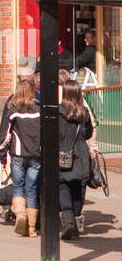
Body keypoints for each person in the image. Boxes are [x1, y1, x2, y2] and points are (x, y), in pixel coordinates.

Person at [0, 75, 41, 238]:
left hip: (18, 154)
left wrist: (2, 155)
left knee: (18, 187)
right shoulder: (39, 108)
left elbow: (6, 134)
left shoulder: (13, 110)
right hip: (36, 155)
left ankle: (21, 214)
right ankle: (31, 228)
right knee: (32, 189)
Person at [58, 81, 96, 239]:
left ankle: (68, 222)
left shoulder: (58, 112)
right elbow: (88, 134)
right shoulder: (84, 113)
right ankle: (76, 220)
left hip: (62, 154)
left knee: (63, 186)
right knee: (78, 189)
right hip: (80, 155)